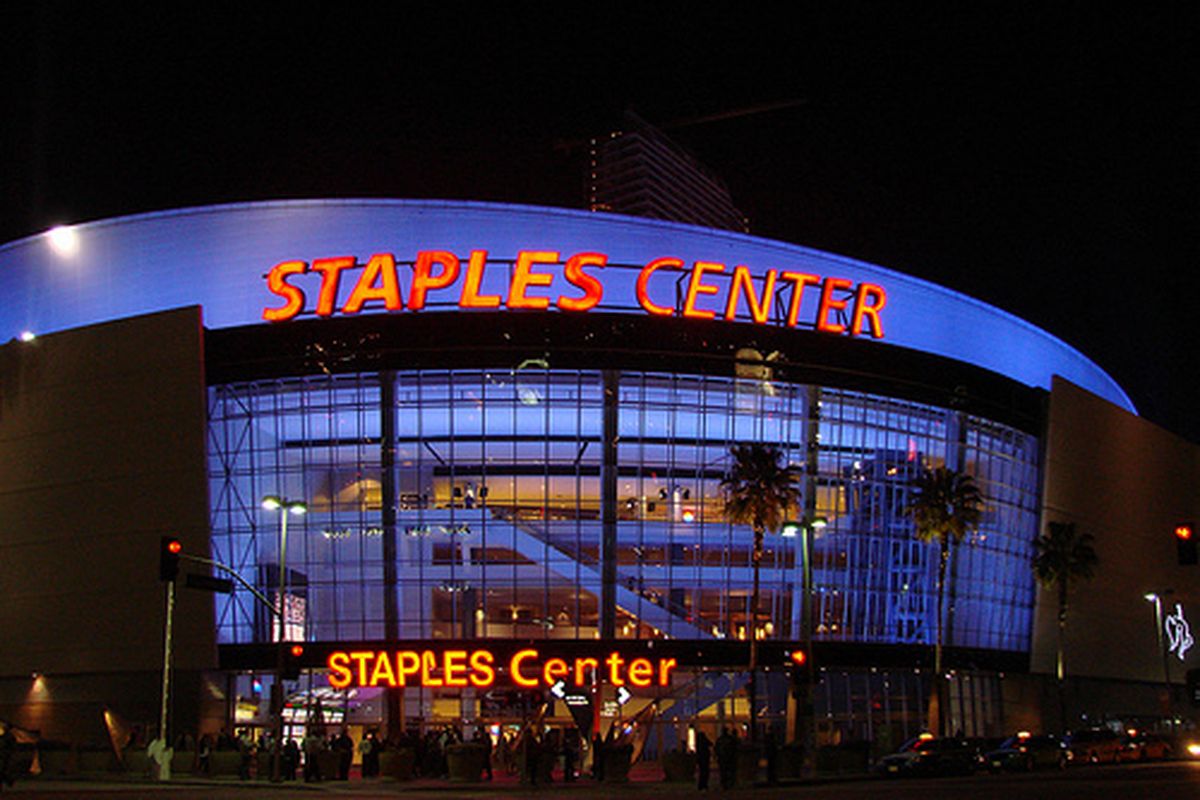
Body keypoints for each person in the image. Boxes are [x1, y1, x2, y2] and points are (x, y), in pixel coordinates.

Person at [0, 720, 16, 789]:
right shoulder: (6, 736)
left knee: (3, 770)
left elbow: (10, 746)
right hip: (4, 755)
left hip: (4, 756)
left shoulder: (8, 736)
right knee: (3, 770)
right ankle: (7, 780)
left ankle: (8, 780)